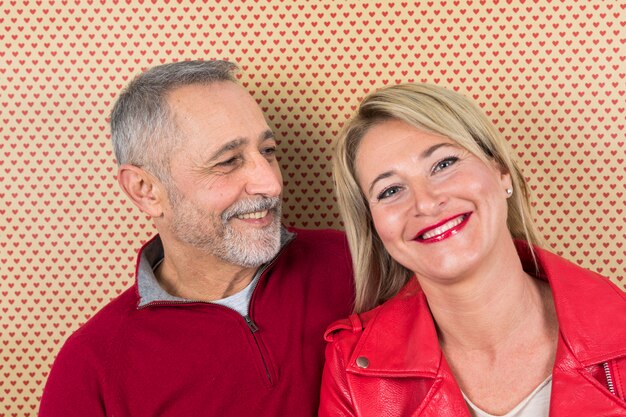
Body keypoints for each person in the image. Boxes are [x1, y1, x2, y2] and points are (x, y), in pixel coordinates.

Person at [38, 60, 354, 417]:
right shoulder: (91, 367)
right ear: (145, 190)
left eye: (268, 151)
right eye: (228, 161)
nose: (271, 184)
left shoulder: (357, 264)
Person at [319, 83, 626, 417]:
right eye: (391, 190)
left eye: (444, 164)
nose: (425, 202)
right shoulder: (351, 371)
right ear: (375, 227)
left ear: (501, 172)